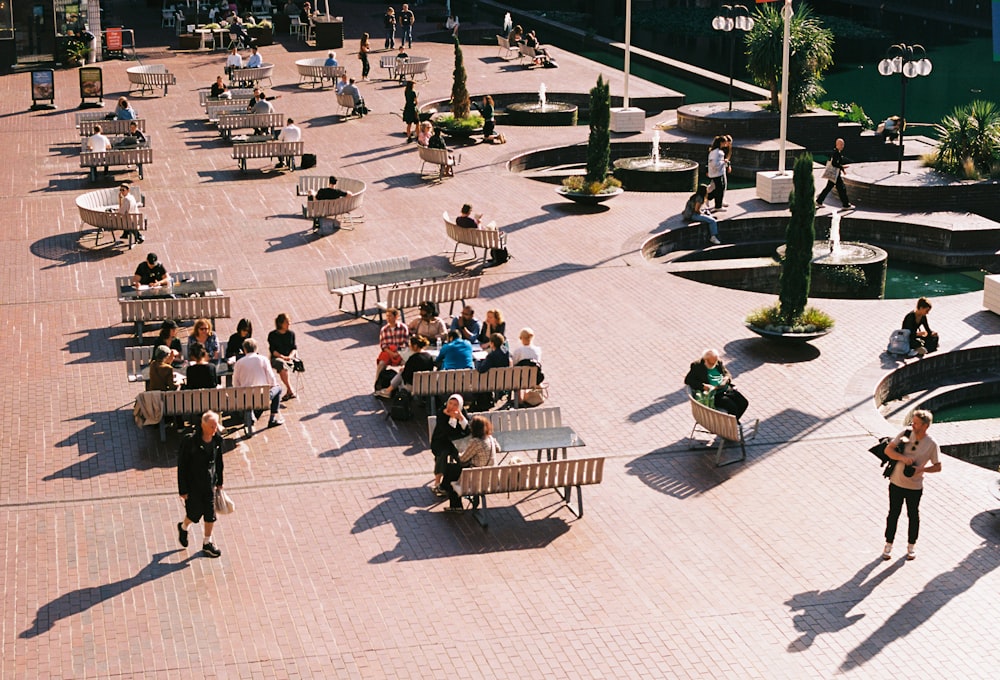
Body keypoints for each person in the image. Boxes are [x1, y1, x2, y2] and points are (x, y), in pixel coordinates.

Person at [881, 409, 941, 561]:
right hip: (896, 483)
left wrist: (922, 469)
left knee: (913, 516)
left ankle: (911, 546)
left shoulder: (932, 444)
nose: (913, 425)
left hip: (914, 487)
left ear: (925, 426)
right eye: (912, 422)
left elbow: (938, 466)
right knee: (893, 514)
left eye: (916, 423)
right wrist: (902, 458)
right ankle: (888, 544)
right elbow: (888, 450)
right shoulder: (905, 435)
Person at [176, 411, 225, 558]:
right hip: (194, 485)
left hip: (209, 484)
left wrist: (220, 481)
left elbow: (219, 462)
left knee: (210, 515)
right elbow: (182, 466)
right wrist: (183, 489)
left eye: (216, 425)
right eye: (212, 426)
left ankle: (207, 543)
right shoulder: (190, 442)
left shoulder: (217, 440)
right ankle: (183, 527)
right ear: (203, 426)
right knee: (194, 514)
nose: (214, 429)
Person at [442, 415, 498, 512]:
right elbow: (498, 448)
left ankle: (454, 503)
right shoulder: (491, 438)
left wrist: (458, 453)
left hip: (477, 478)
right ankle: (443, 488)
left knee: (451, 470)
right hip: (491, 477)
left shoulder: (475, 442)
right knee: (453, 471)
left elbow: (463, 459)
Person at [233, 337, 284, 429]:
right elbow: (271, 377)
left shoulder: (239, 363)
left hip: (245, 397)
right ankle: (272, 418)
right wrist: (273, 386)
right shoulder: (263, 359)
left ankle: (250, 412)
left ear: (244, 350)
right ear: (256, 348)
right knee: (278, 388)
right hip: (262, 396)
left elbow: (235, 382)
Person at [684, 348, 749, 420]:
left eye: (715, 362)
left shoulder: (718, 362)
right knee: (732, 407)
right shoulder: (697, 366)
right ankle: (730, 426)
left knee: (744, 403)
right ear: (705, 360)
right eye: (711, 363)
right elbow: (688, 380)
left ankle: (734, 422)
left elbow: (726, 373)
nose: (714, 364)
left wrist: (726, 379)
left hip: (725, 388)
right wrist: (703, 386)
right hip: (714, 394)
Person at [429, 394, 470, 496]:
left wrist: (460, 418)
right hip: (441, 441)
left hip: (457, 442)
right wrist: (452, 419)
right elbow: (447, 431)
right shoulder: (441, 413)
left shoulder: (462, 412)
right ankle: (437, 482)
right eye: (450, 403)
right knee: (442, 454)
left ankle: (462, 480)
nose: (451, 406)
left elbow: (468, 429)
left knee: (463, 457)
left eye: (455, 404)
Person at [375, 335, 434, 399]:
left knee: (401, 374)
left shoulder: (413, 358)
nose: (409, 347)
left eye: (410, 345)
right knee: (402, 372)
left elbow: (406, 376)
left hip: (413, 386)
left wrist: (404, 370)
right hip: (426, 384)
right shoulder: (429, 356)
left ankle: (388, 391)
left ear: (415, 346)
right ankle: (388, 390)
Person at [375, 307, 409, 387]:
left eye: (390, 316)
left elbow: (405, 344)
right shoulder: (384, 329)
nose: (388, 318)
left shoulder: (403, 328)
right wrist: (391, 353)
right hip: (389, 353)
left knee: (407, 364)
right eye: (387, 316)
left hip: (401, 353)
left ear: (396, 316)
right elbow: (383, 345)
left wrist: (397, 353)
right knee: (381, 364)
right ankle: (377, 384)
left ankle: (403, 385)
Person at [816, 137, 853, 210]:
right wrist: (842, 167)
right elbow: (834, 163)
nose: (843, 146)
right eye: (841, 144)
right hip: (835, 175)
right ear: (837, 145)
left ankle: (819, 201)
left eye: (843, 144)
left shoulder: (836, 152)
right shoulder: (836, 153)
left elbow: (835, 163)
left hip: (834, 175)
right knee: (842, 189)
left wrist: (842, 168)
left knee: (828, 188)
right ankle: (846, 205)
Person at [267, 312, 298, 400]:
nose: (289, 324)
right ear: (281, 323)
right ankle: (290, 389)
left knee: (285, 366)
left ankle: (288, 392)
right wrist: (283, 357)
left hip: (289, 358)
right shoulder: (272, 335)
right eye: (286, 322)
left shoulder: (291, 334)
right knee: (282, 365)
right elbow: (273, 351)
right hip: (277, 358)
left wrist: (290, 356)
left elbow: (294, 348)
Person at [706, 136, 729, 212]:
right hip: (717, 174)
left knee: (719, 188)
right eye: (725, 142)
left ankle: (716, 202)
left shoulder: (715, 151)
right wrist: (723, 162)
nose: (726, 144)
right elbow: (715, 164)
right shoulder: (716, 153)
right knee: (719, 189)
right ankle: (717, 205)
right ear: (721, 143)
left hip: (717, 173)